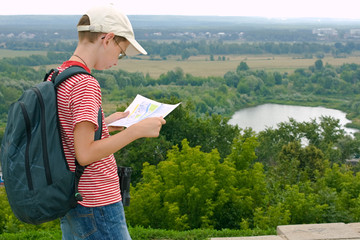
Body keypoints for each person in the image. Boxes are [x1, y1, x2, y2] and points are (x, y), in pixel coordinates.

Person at [48, 5, 166, 240]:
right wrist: (136, 131)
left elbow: (67, 134)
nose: (117, 60)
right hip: (96, 203)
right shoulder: (85, 84)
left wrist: (103, 124)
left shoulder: (59, 74)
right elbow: (85, 154)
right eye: (120, 52)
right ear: (108, 39)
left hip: (73, 197)